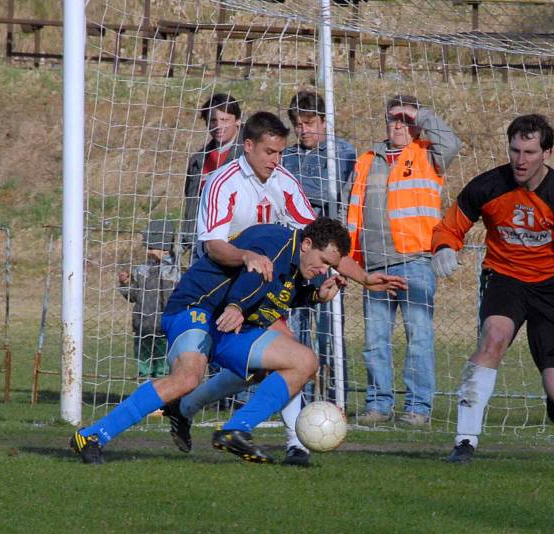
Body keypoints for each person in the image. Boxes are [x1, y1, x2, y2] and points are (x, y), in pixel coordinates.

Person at [167, 111, 405, 467]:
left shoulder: (284, 182)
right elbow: (214, 246)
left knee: (273, 363)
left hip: (265, 282)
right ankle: (294, 441)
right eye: (270, 152)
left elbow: (322, 240)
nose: (277, 161)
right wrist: (247, 257)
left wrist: (365, 278)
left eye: (280, 153)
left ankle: (187, 408)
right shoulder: (222, 181)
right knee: (289, 355)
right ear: (250, 147)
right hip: (221, 285)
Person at [71, 218, 350, 465]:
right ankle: (91, 436)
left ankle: (235, 430)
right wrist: (236, 306)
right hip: (195, 308)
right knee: (187, 377)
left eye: (331, 267)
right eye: (324, 262)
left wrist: (316, 296)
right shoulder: (274, 240)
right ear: (307, 244)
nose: (324, 270)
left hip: (229, 323)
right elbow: (253, 273)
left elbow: (282, 292)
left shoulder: (296, 267)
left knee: (304, 362)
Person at [431, 114, 554, 463]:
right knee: (492, 338)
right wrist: (442, 247)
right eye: (515, 150)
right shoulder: (487, 186)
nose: (521, 160)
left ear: (548, 153)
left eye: (529, 151)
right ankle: (465, 441)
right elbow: (449, 226)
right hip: (504, 278)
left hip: (553, 287)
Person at [346, 94, 461, 427]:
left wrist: (421, 113)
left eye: (405, 120)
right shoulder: (369, 158)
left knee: (419, 338)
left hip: (416, 261)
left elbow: (452, 142)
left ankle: (418, 408)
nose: (398, 125)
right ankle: (378, 405)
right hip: (375, 264)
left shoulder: (428, 153)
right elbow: (353, 210)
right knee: (374, 341)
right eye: (393, 119)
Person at [282, 90, 356, 402]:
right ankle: (299, 395)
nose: (303, 130)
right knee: (295, 331)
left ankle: (336, 395)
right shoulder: (287, 156)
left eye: (309, 122)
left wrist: (294, 189)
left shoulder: (342, 152)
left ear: (324, 121)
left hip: (326, 258)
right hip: (296, 257)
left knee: (329, 330)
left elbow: (331, 190)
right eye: (298, 124)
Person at [117, 219, 180, 378]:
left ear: (166, 249)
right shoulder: (142, 270)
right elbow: (133, 296)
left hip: (163, 330)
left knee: (163, 369)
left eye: (152, 248)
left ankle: (163, 398)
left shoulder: (175, 273)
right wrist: (125, 283)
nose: (148, 252)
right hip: (142, 327)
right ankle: (143, 390)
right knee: (143, 369)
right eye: (148, 247)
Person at [181, 93, 244, 253]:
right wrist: (189, 237)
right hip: (201, 242)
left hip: (236, 242)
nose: (218, 126)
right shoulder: (198, 161)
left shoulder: (249, 156)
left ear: (237, 120)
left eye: (224, 120)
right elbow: (191, 201)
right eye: (213, 121)